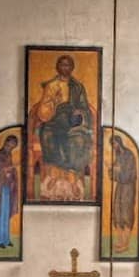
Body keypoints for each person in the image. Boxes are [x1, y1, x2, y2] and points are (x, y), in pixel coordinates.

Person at [29, 53, 95, 201]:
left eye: (68, 65)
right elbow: (42, 112)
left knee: (77, 140)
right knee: (48, 135)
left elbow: (85, 108)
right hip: (54, 121)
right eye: (62, 65)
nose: (65, 68)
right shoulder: (51, 86)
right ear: (57, 67)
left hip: (73, 123)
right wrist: (54, 104)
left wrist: (80, 112)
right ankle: (54, 176)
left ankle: (72, 180)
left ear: (72, 67)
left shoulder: (78, 87)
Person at [0, 134, 20, 249]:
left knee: (5, 214)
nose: (11, 148)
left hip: (6, 188)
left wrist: (12, 174)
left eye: (13, 147)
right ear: (6, 142)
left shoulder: (8, 155)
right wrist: (6, 170)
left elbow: (8, 170)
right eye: (10, 145)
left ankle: (5, 239)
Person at [108, 134, 137, 251]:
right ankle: (120, 242)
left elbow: (129, 174)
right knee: (117, 213)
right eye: (112, 145)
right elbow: (114, 175)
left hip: (128, 188)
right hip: (120, 187)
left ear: (119, 143)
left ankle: (126, 244)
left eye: (114, 144)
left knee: (126, 214)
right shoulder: (119, 156)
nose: (113, 147)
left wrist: (119, 170)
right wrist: (111, 170)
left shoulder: (129, 155)